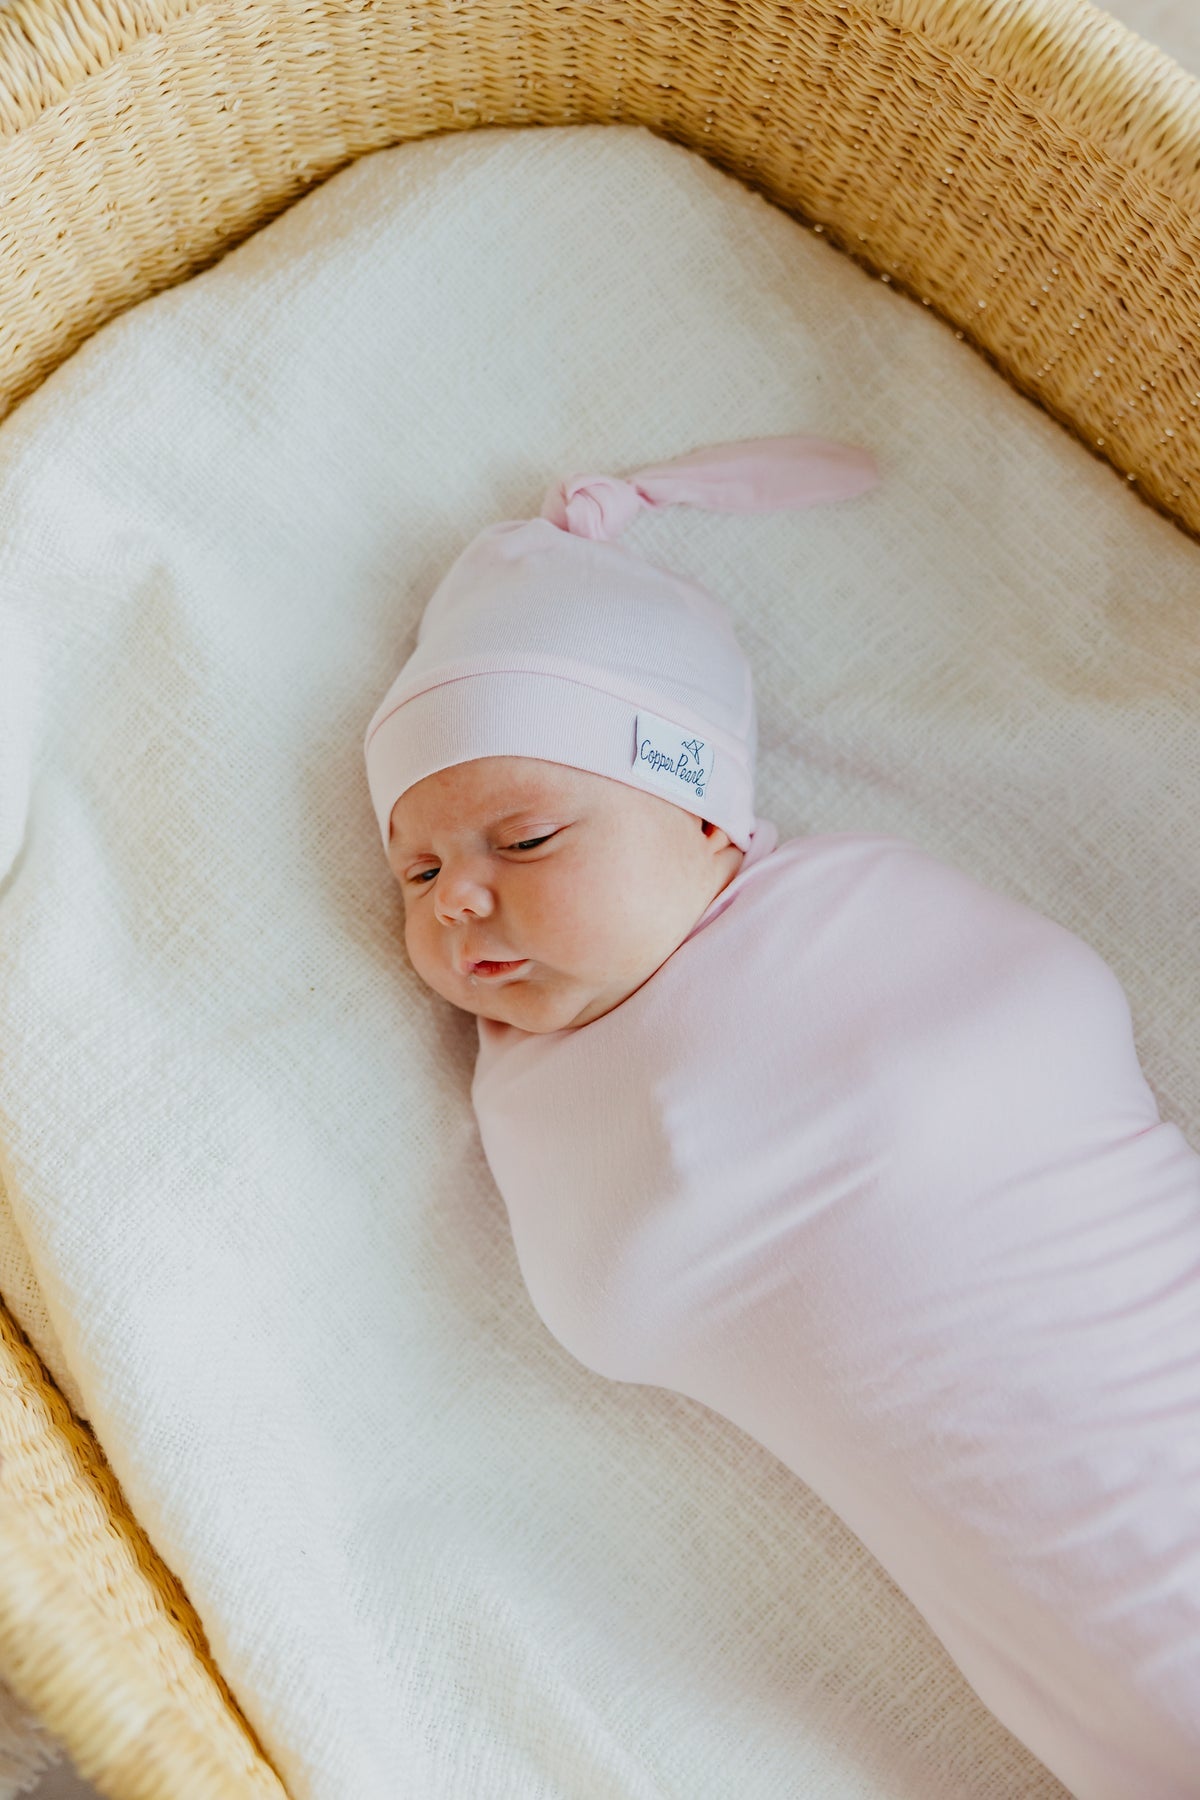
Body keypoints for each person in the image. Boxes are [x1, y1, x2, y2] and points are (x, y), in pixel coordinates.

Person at [364, 436, 1200, 1800]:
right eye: (418, 867)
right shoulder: (532, 1098)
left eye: (523, 840)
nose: (457, 897)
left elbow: (1016, 1043)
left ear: (705, 819)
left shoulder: (852, 920)